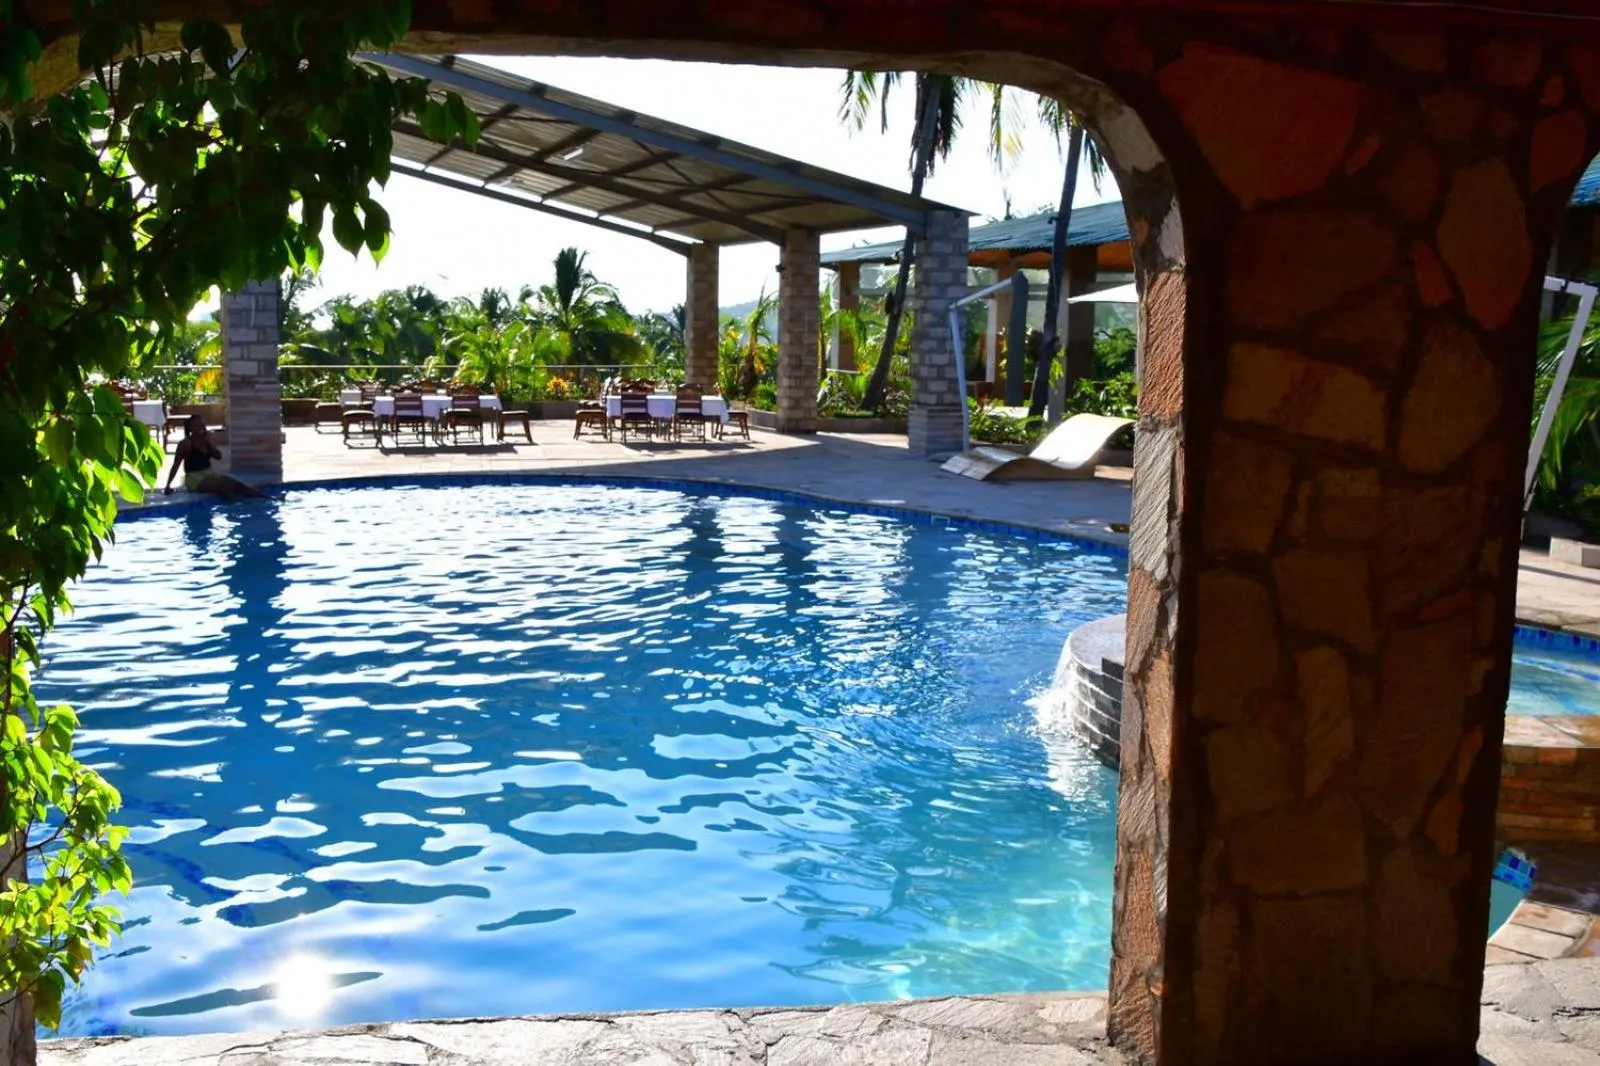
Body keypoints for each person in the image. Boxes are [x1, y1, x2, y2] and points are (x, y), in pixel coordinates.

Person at [163, 413, 266, 501]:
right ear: (191, 428)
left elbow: (218, 456)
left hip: (210, 473)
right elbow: (175, 465)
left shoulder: (206, 441)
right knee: (224, 484)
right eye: (198, 425)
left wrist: (209, 442)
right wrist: (168, 485)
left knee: (235, 483)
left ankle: (266, 498)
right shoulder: (185, 444)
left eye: (203, 424)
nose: (202, 427)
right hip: (194, 479)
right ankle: (236, 506)